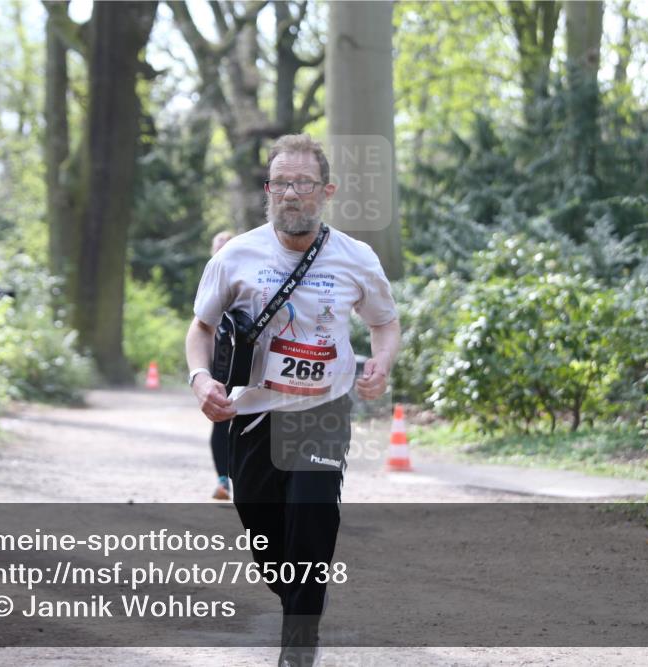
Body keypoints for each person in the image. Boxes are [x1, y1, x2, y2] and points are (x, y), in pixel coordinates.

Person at [185, 134, 400, 666]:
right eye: (281, 183)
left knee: (313, 520)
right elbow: (201, 329)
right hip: (255, 416)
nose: (291, 193)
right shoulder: (236, 256)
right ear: (268, 191)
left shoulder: (356, 257)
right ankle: (301, 599)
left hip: (322, 414)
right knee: (268, 546)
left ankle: (298, 648)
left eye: (303, 183)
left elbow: (385, 322)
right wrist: (199, 379)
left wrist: (381, 362)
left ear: (325, 191)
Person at [208, 230, 234, 501]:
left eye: (229, 245)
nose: (224, 249)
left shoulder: (248, 274)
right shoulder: (209, 279)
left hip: (247, 362)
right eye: (219, 245)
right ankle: (223, 481)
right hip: (219, 362)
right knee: (220, 421)